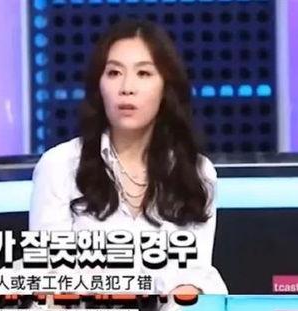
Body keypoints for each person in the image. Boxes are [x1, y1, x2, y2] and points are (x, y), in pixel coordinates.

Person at [30, 20, 227, 296]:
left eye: (143, 73)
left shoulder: (197, 173)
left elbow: (195, 277)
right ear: (99, 85)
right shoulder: (60, 166)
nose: (126, 87)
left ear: (165, 87)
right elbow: (48, 279)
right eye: (114, 73)